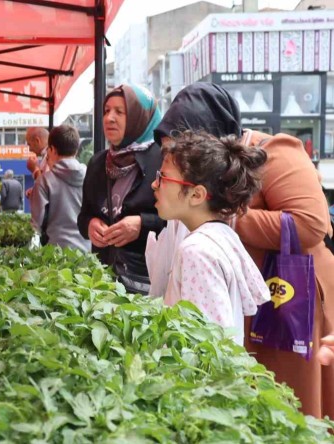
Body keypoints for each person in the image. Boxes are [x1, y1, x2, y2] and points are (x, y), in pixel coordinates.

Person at [155, 82, 334, 419]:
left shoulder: (276, 151)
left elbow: (312, 223)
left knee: (294, 404)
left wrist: (221, 213)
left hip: (295, 302)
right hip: (255, 300)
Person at [154, 130, 269, 345]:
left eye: (163, 178)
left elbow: (209, 346)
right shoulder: (221, 235)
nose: (154, 184)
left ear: (197, 195)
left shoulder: (196, 251)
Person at [78, 84, 164, 294]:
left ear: (139, 116)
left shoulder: (163, 160)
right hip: (102, 281)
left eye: (120, 111)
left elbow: (178, 221)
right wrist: (90, 224)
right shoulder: (98, 163)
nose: (109, 118)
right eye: (106, 111)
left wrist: (142, 224)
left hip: (147, 283)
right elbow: (83, 216)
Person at [30, 125, 90, 251]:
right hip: (87, 252)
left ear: (52, 149)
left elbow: (36, 225)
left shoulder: (44, 181)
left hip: (56, 254)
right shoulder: (89, 176)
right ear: (76, 149)